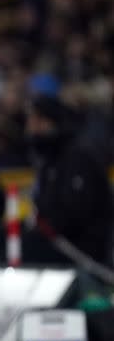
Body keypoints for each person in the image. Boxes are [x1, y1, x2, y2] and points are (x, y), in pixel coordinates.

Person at [23, 93, 113, 266]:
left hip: (83, 258)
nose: (30, 129)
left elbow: (74, 216)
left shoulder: (78, 158)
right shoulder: (49, 162)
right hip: (57, 250)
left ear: (52, 122)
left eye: (36, 121)